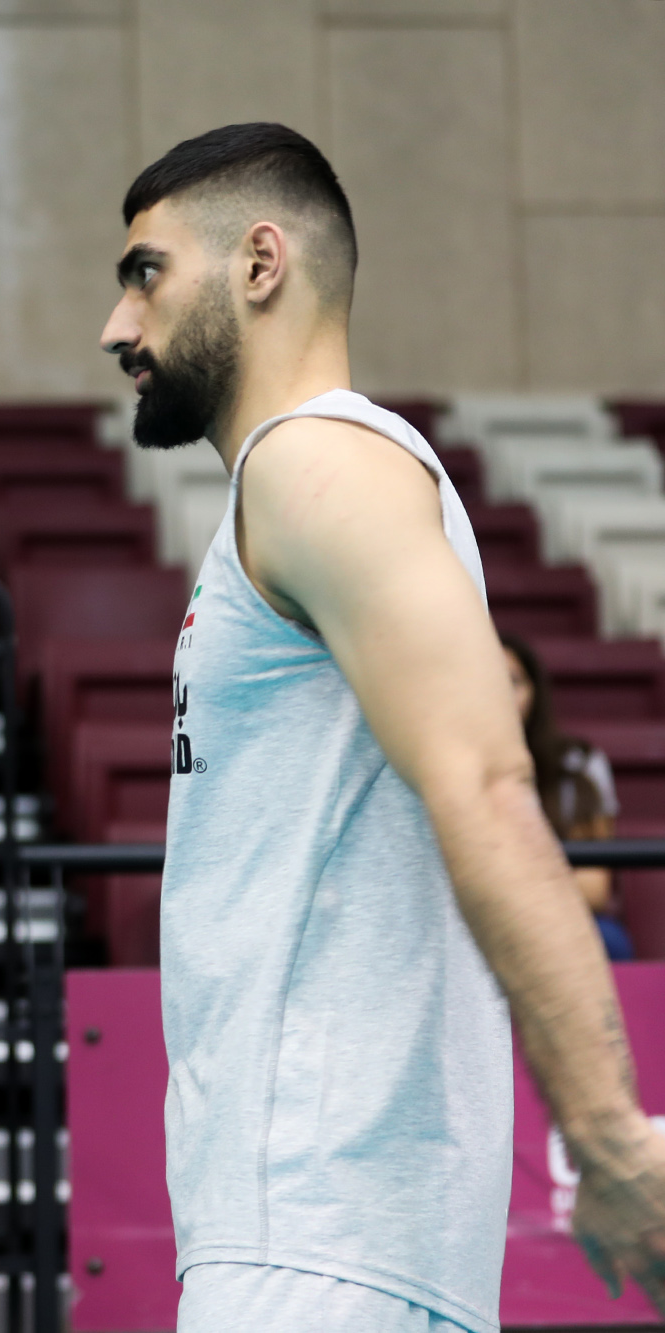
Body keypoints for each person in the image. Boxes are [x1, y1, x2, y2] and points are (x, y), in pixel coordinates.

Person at [98, 122, 665, 1333]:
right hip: (344, 1244)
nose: (115, 326)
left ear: (259, 263)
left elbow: (486, 783)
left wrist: (607, 1134)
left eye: (144, 273)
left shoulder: (313, 466)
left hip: (312, 1246)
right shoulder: (316, 482)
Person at [500, 633, 632, 960]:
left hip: (558, 917)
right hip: (478, 921)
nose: (499, 695)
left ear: (535, 691)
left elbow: (593, 889)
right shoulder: (448, 769)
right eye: (488, 682)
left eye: (512, 682)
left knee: (608, 940)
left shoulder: (578, 765)